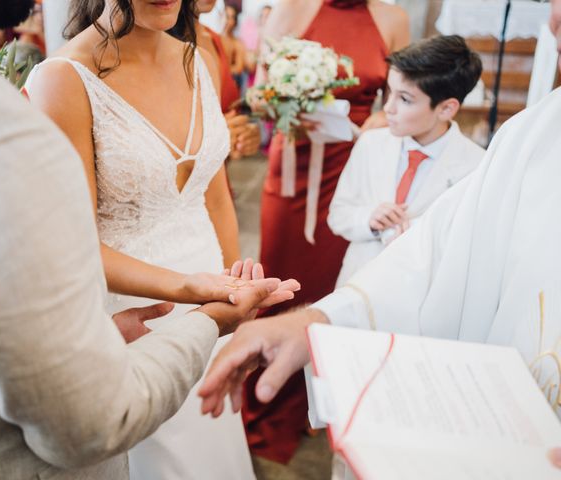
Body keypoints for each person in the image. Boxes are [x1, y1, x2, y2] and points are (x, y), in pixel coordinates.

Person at [0, 1, 289, 479]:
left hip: (215, 294)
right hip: (138, 310)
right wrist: (191, 292)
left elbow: (213, 195)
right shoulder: (63, 79)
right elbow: (74, 242)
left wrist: (238, 292)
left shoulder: (200, 58)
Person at [199, 0, 561, 475]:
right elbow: (434, 251)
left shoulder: (473, 153)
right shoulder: (534, 136)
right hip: (309, 163)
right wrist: (316, 320)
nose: (552, 19)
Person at [243, 0, 410, 467]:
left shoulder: (392, 19)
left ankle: (318, 405)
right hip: (295, 166)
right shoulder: (291, 10)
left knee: (332, 289)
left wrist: (382, 119)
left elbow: (401, 96)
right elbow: (257, 97)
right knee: (280, 284)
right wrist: (288, 104)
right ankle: (265, 408)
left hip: (353, 169)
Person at [329, 35, 485, 286]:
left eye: (404, 99)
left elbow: (468, 245)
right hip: (358, 279)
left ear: (446, 108)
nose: (388, 108)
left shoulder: (476, 166)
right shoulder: (371, 144)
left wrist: (420, 233)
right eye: (390, 93)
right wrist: (369, 219)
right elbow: (338, 214)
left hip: (419, 290)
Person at [195, 0, 261, 159]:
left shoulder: (219, 41)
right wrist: (214, 139)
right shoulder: (156, 48)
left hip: (223, 174)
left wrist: (245, 135)